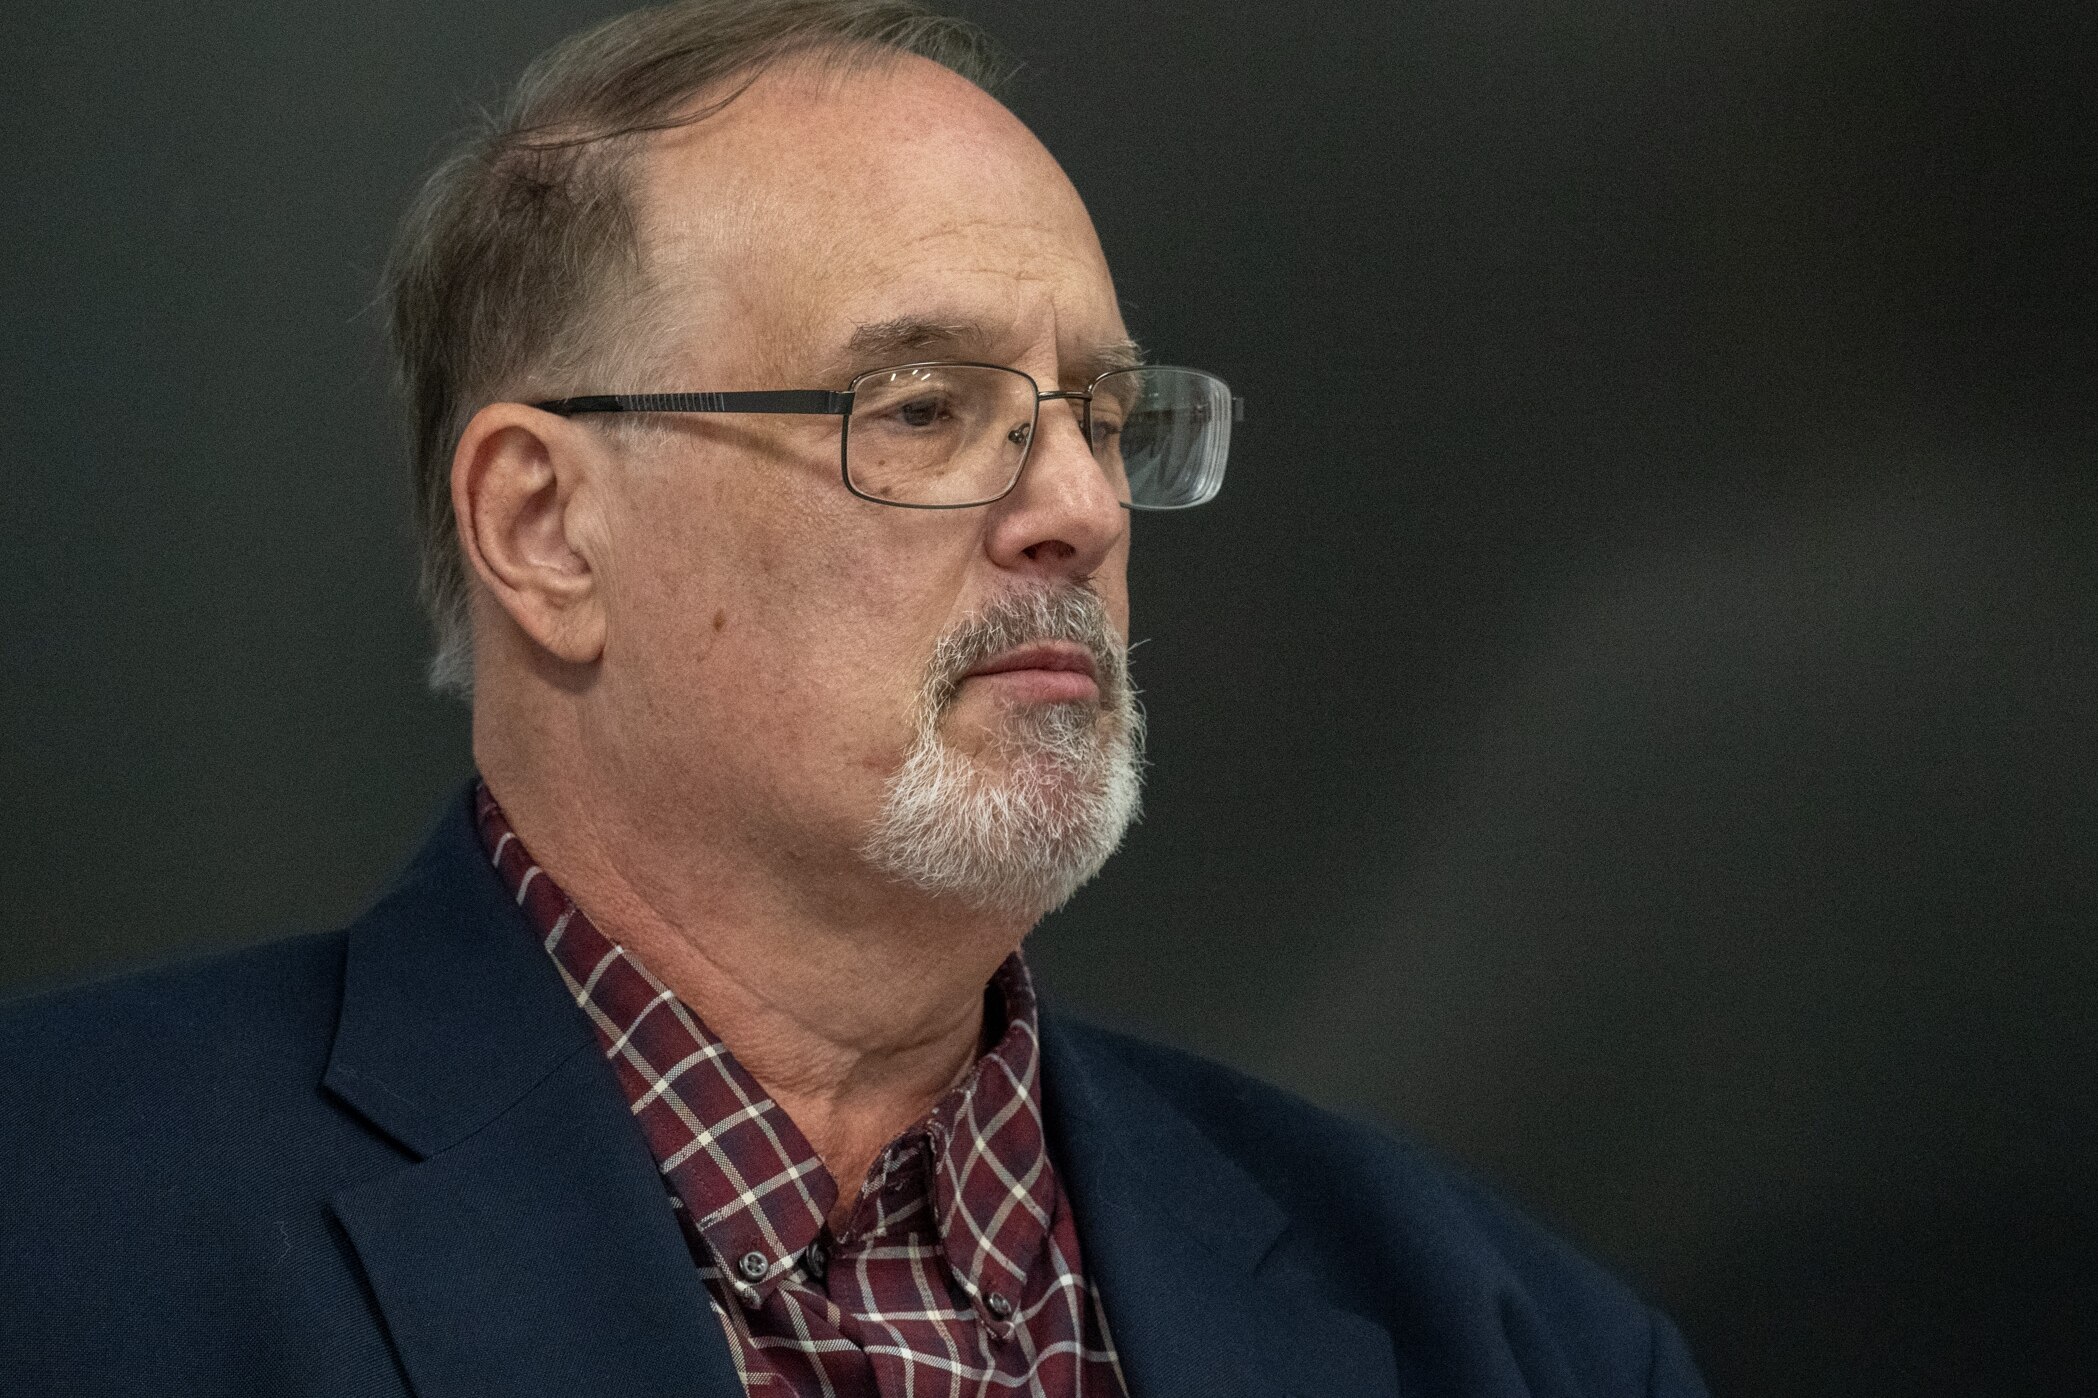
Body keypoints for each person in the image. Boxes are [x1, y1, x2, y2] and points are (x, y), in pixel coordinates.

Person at [0, 2, 1708, 1394]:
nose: (1082, 509)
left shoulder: (1505, 1338)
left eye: (1103, 416)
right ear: (543, 526)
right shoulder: (62, 1224)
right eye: (918, 409)